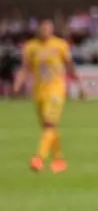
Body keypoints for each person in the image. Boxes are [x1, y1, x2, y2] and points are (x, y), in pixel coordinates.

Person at [16, 19, 80, 173]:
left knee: (49, 124)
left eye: (49, 28)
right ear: (38, 29)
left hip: (56, 89)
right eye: (43, 28)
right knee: (49, 127)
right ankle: (59, 161)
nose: (46, 30)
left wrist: (79, 83)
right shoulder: (30, 47)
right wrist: (18, 83)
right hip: (39, 91)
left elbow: (69, 65)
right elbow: (25, 67)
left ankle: (39, 158)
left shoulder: (60, 45)